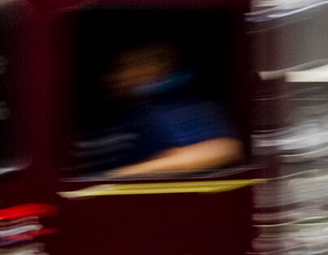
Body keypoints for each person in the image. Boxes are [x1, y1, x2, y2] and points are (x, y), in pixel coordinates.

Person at [86, 42, 242, 178]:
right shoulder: (131, 107)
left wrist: (114, 178)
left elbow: (224, 149)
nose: (112, 78)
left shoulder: (177, 102)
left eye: (123, 67)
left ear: (156, 65)